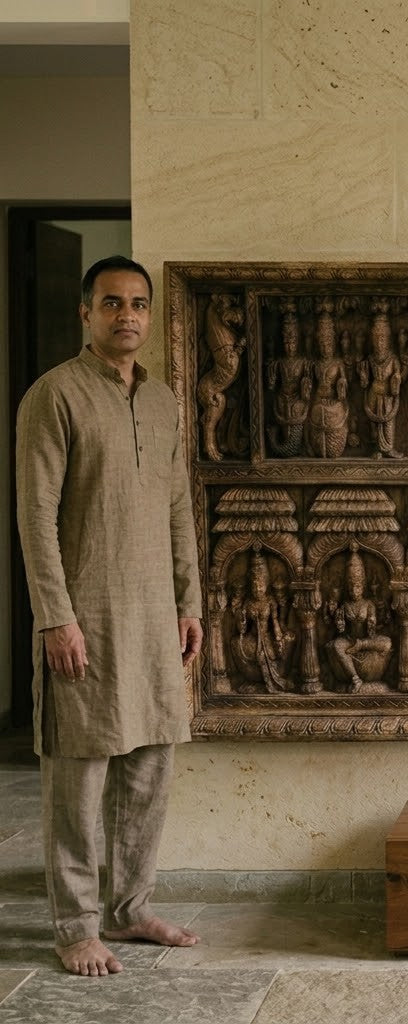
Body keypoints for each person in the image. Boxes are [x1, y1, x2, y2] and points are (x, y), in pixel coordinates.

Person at [15, 256, 204, 977]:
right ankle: (75, 926)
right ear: (86, 314)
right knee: (80, 773)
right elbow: (35, 517)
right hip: (84, 617)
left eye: (138, 305)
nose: (127, 315)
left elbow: (178, 509)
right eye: (112, 303)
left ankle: (130, 911)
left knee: (150, 766)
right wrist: (54, 617)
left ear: (149, 317)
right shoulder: (53, 396)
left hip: (155, 616)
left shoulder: (162, 404)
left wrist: (188, 604)